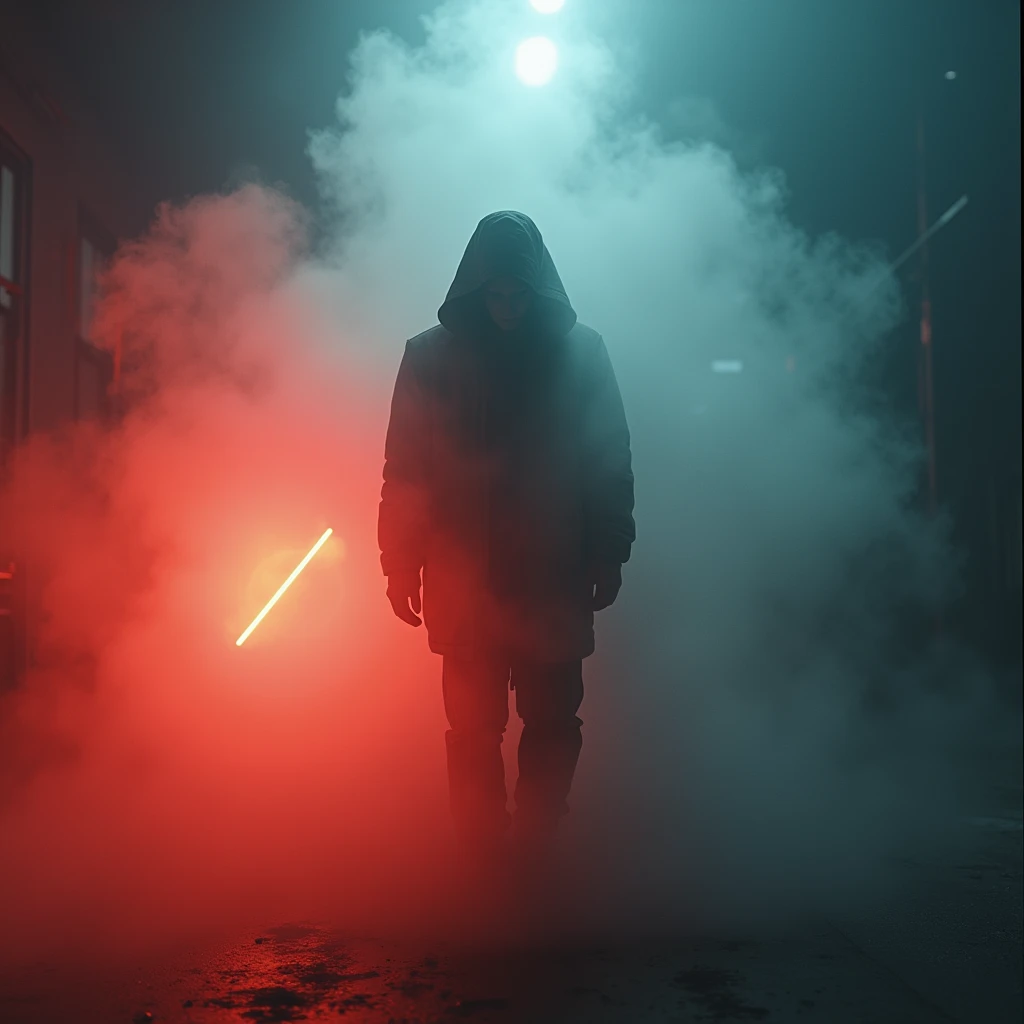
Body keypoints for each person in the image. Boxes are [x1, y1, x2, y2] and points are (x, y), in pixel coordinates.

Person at [378, 210, 634, 856]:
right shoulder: (429, 359)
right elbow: (406, 469)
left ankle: (536, 845)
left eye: (518, 295)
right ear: (477, 292)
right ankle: (483, 852)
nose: (510, 307)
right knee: (473, 725)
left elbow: (607, 458)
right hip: (473, 577)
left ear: (538, 289)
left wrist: (610, 549)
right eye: (498, 295)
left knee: (550, 719)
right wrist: (398, 561)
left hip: (550, 571)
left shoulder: (581, 356)